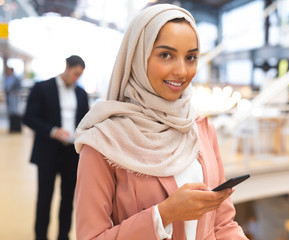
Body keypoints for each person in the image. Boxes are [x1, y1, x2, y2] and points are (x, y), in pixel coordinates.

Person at [74, 4, 249, 240]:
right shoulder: (103, 143)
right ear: (138, 56)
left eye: (191, 58)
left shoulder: (199, 128)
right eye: (166, 55)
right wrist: (164, 215)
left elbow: (223, 223)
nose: (181, 71)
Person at [23, 55, 89, 240]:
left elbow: (86, 121)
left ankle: (63, 235)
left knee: (68, 199)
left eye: (80, 75)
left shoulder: (81, 94)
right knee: (45, 197)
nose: (76, 78)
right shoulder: (42, 88)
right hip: (48, 151)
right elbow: (29, 117)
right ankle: (41, 236)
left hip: (71, 154)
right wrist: (52, 131)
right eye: (75, 73)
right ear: (67, 67)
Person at [4, 67, 22, 133]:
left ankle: (17, 129)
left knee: (16, 114)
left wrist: (16, 91)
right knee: (11, 114)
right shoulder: (7, 79)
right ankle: (12, 128)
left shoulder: (17, 79)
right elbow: (6, 88)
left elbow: (20, 87)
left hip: (15, 99)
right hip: (10, 98)